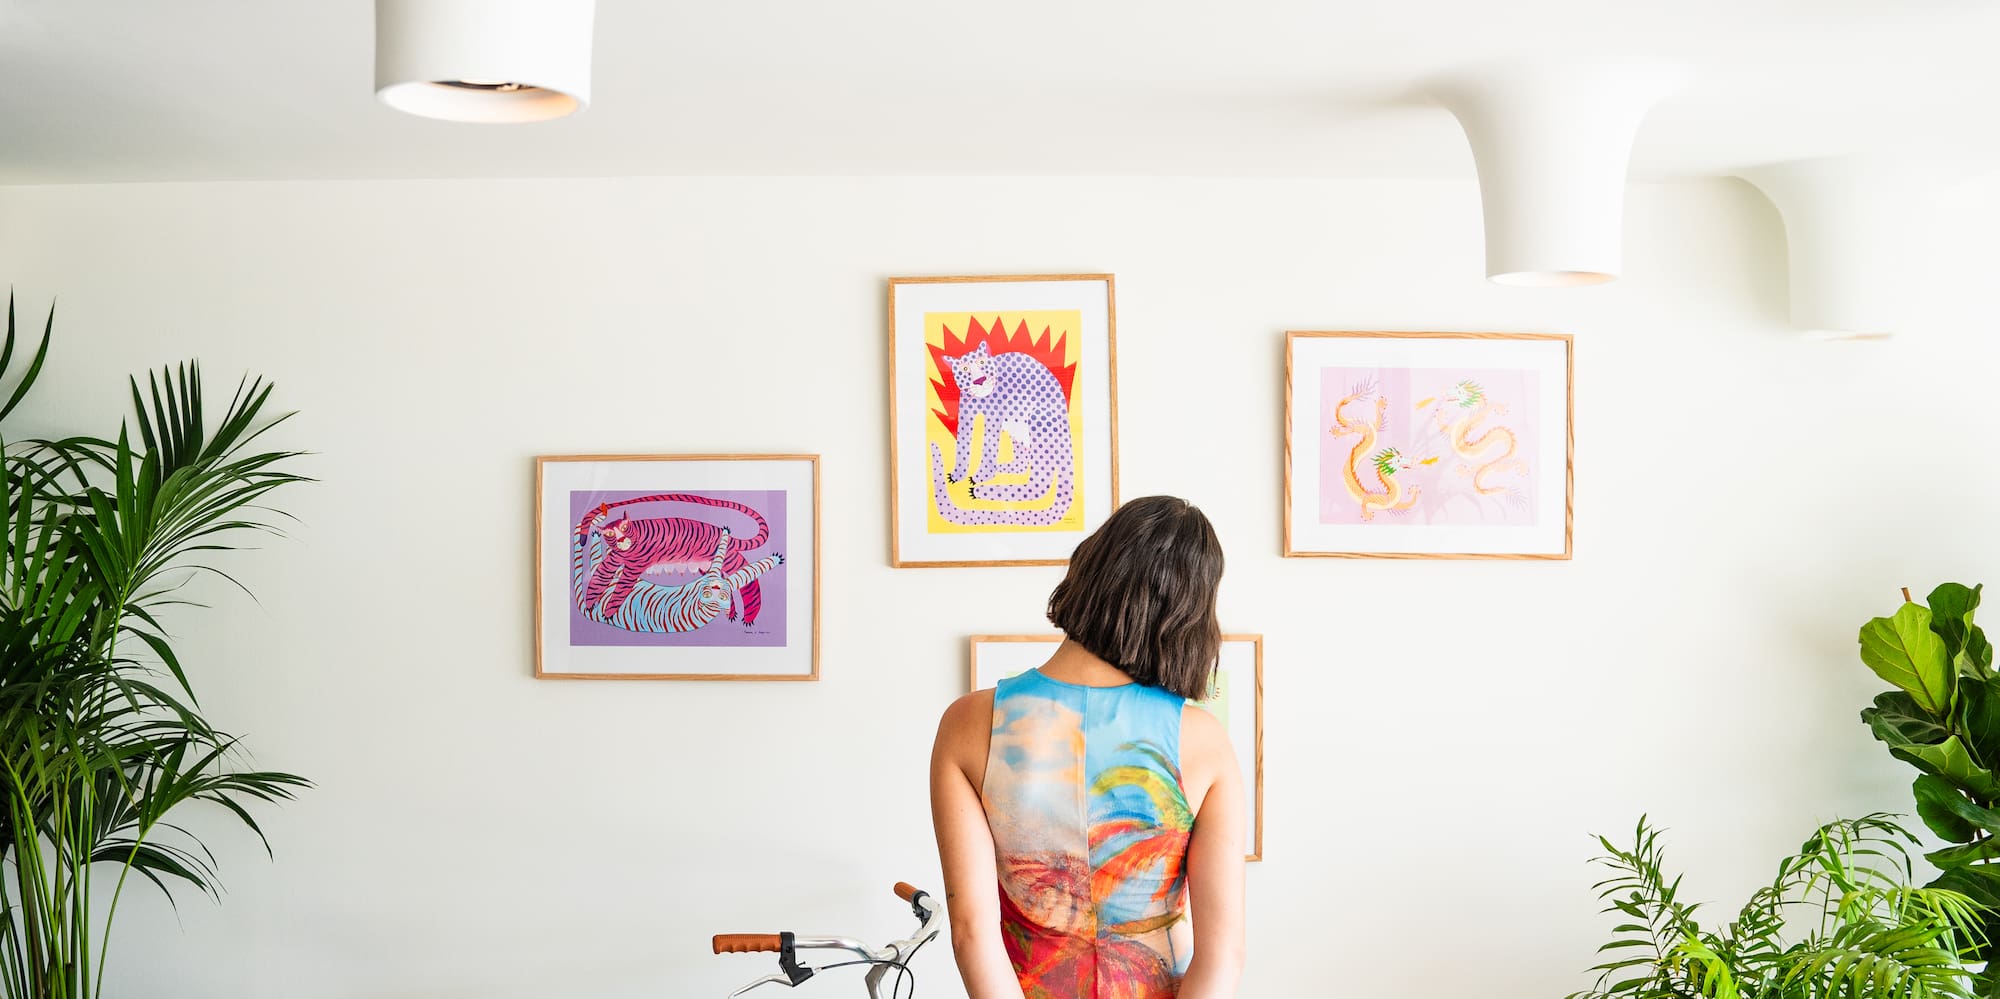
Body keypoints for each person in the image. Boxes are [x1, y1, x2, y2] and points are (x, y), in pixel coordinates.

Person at [928, 496, 1246, 999]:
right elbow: (1223, 953)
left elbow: (971, 934)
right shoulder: (1201, 738)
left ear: (1089, 570)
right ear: (1187, 613)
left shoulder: (969, 723)